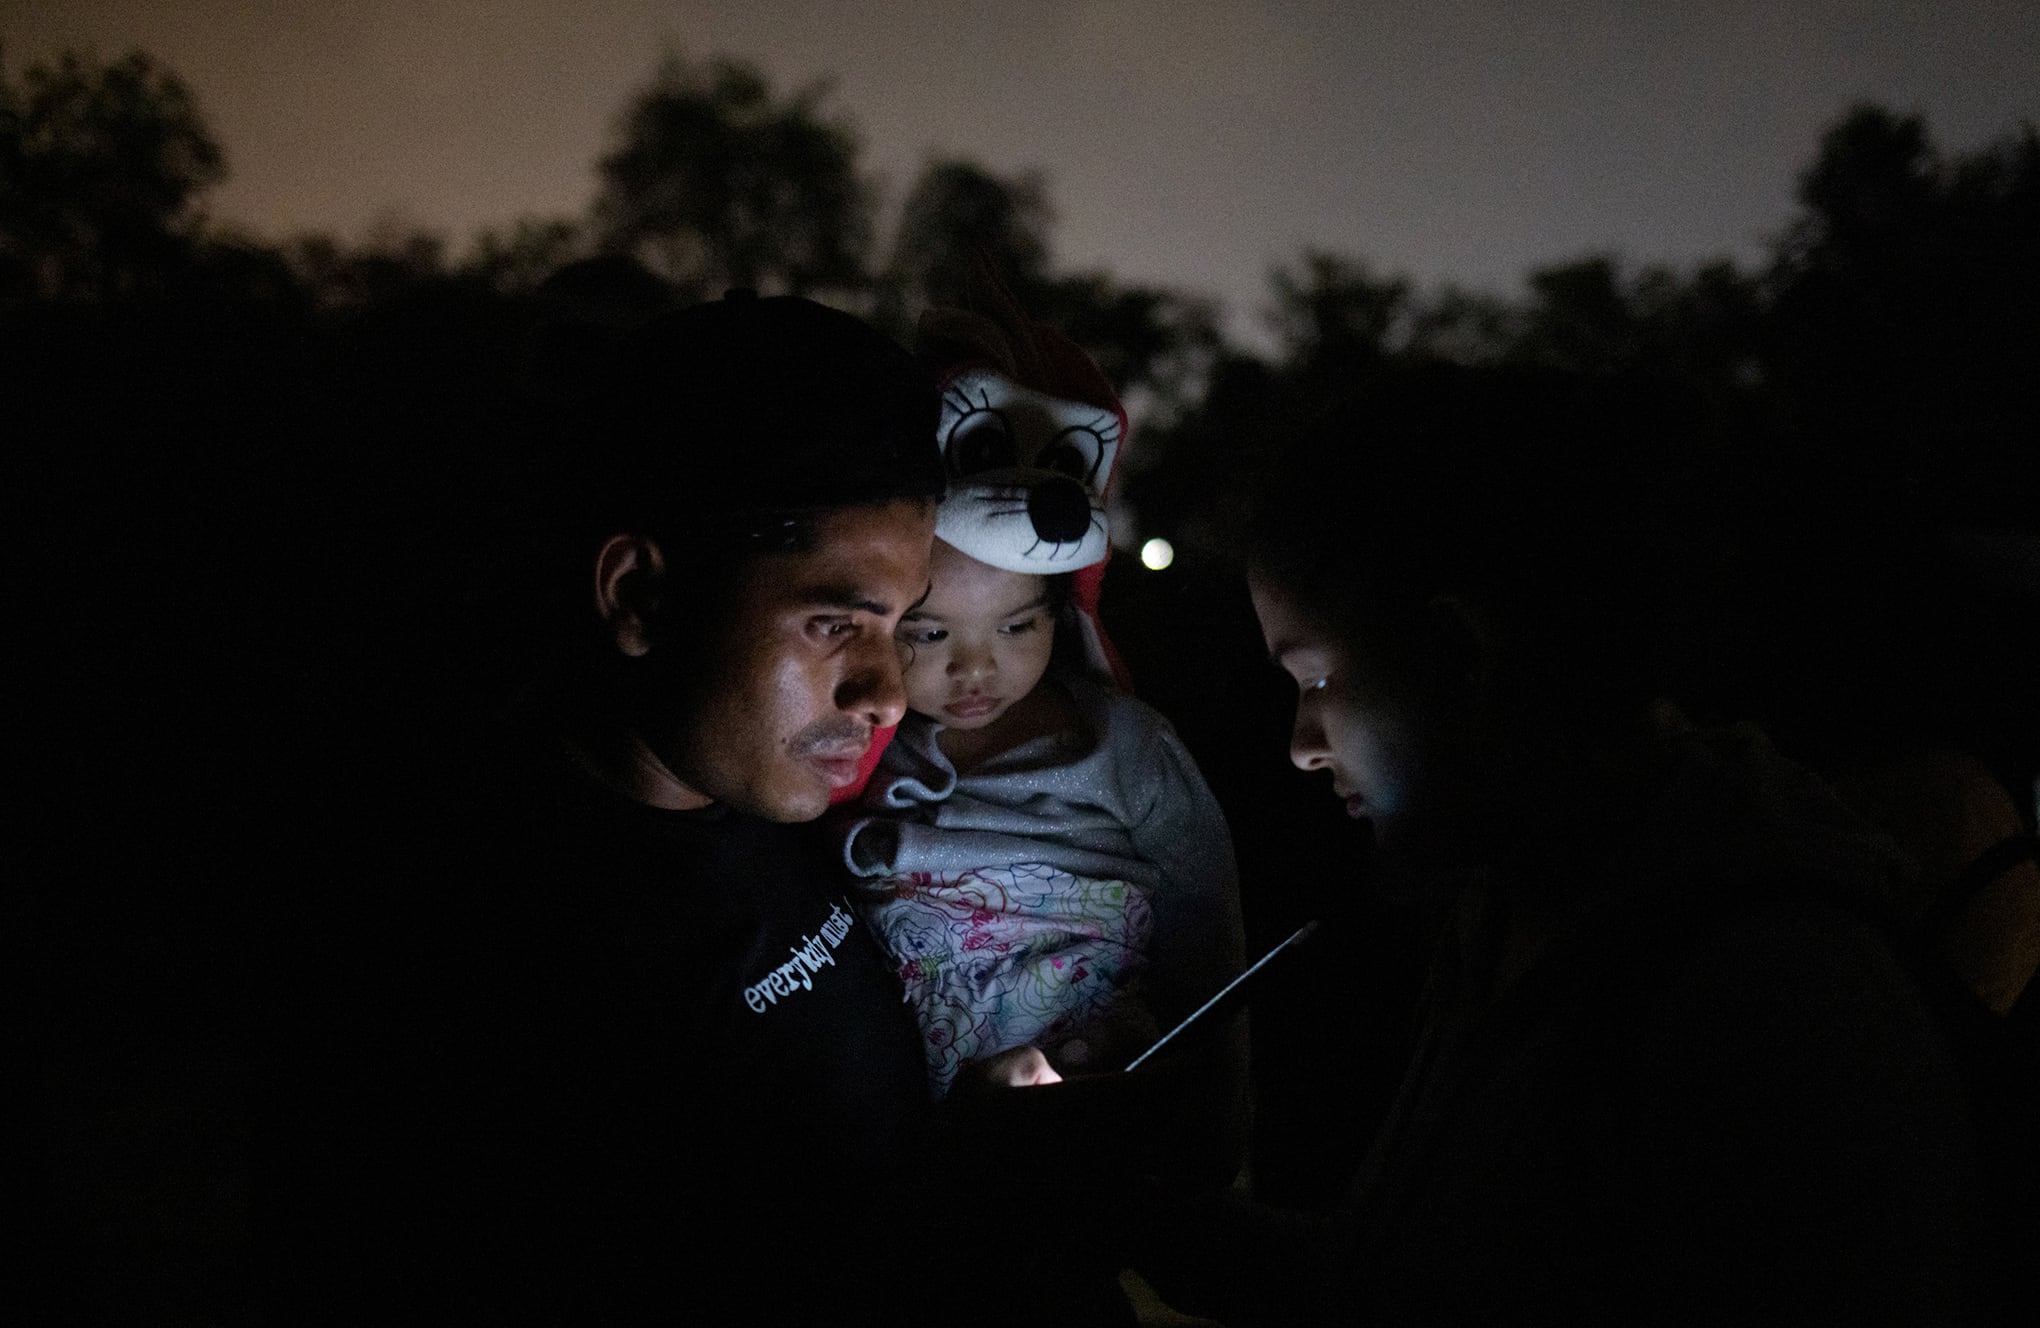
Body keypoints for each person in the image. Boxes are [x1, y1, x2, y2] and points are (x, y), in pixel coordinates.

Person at [1143, 365, 1991, 1324]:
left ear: (1462, 656)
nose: (1300, 748)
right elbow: (1414, 1281)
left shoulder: (1764, 999)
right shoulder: (1515, 915)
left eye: (1317, 681)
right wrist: (1145, 1218)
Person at [293, 291, 950, 1323]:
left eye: (903, 626)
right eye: (834, 622)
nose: (888, 691)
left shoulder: (771, 805)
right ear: (641, 593)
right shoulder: (474, 965)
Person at [837, 305, 1246, 1101]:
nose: (975, 669)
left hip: (1093, 1073)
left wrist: (1212, 1103)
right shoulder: (868, 748)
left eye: (1018, 625)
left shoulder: (1124, 746)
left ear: (1062, 611)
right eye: (927, 636)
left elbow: (1207, 923)